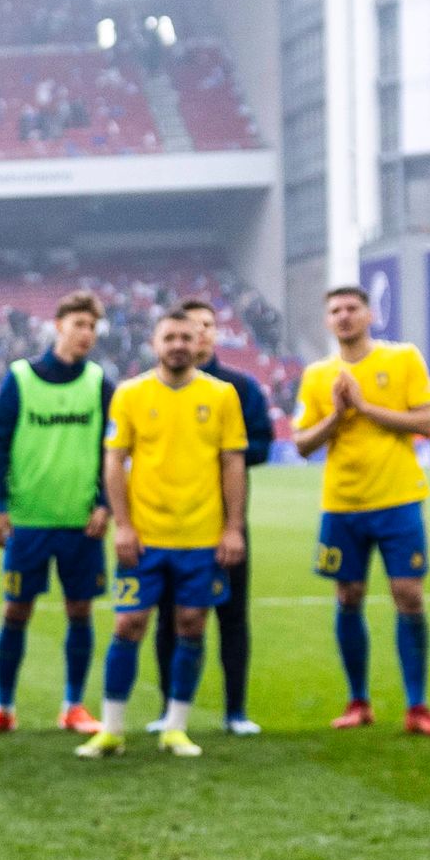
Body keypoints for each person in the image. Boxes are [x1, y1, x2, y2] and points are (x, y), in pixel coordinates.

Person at [81, 306, 246, 758]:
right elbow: (114, 460)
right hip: (146, 537)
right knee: (128, 623)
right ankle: (112, 727)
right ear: (155, 344)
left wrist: (233, 528)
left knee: (191, 624)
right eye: (169, 337)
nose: (177, 345)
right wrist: (124, 525)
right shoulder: (131, 394)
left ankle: (176, 725)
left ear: (199, 344)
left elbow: (233, 463)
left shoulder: (223, 395)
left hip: (202, 535)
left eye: (185, 337)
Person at [292, 281, 430, 736]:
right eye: (336, 309)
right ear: (328, 320)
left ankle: (417, 706)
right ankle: (358, 700)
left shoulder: (402, 359)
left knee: (409, 595)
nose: (344, 316)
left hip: (398, 499)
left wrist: (364, 406)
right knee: (348, 597)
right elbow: (302, 443)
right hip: (342, 503)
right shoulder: (318, 375)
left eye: (352, 308)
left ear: (368, 315)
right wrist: (338, 416)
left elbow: (426, 421)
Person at [0, 289, 108, 737]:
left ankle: (73, 706)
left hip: (80, 523)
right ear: (58, 325)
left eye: (92, 326)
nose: (86, 333)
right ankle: (3, 707)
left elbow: (115, 451)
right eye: (78, 324)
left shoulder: (100, 383)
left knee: (80, 612)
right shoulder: (21, 378)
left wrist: (104, 502)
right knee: (16, 612)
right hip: (27, 522)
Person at [189, 304, 278, 736]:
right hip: (173, 520)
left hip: (227, 520)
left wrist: (225, 455)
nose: (200, 333)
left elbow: (262, 444)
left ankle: (235, 711)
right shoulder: (150, 390)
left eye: (207, 325)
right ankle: (173, 710)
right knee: (175, 616)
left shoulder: (240, 387)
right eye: (190, 326)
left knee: (232, 616)